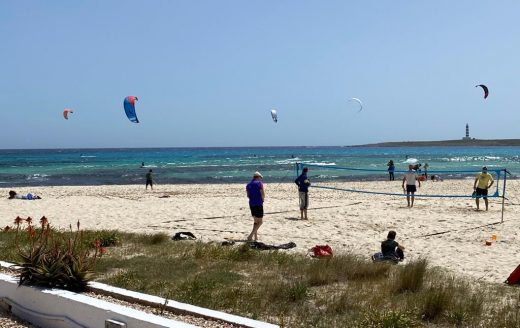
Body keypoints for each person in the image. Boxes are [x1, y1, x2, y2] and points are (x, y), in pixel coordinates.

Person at [246, 171, 265, 241]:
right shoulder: (259, 183)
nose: (261, 179)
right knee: (260, 222)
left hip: (251, 204)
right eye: (260, 178)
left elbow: (248, 195)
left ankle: (255, 237)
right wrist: (262, 200)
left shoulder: (248, 185)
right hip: (258, 203)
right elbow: (263, 194)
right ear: (258, 177)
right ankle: (250, 236)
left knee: (256, 221)